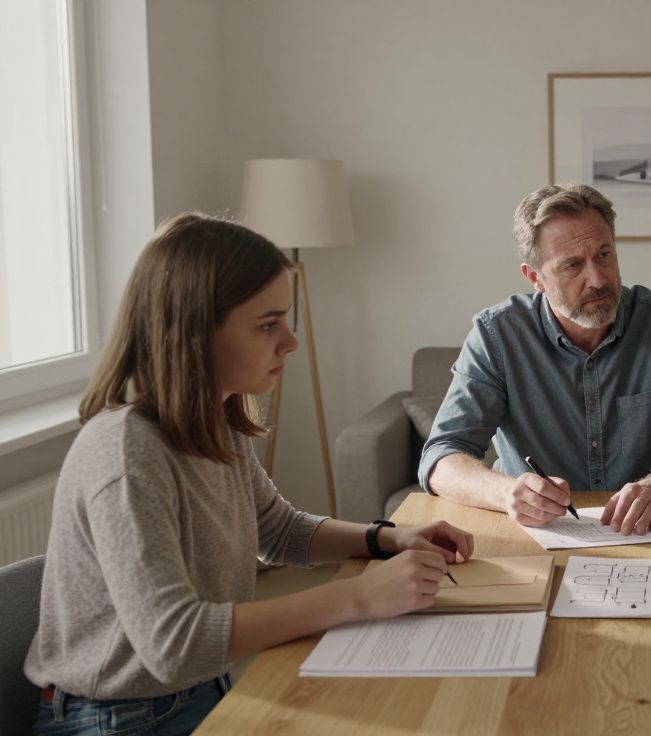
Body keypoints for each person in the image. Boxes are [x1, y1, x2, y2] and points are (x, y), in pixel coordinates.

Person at [24, 214, 474, 734]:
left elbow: (277, 530)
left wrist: (389, 538)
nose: (290, 342)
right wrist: (359, 597)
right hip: (116, 718)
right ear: (193, 332)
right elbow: (175, 644)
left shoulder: (212, 418)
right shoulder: (127, 450)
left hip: (192, 691)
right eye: (267, 324)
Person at [420, 183, 651, 536]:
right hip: (533, 535)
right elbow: (440, 457)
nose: (598, 279)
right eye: (572, 265)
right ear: (534, 277)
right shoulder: (496, 335)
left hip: (638, 533)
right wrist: (506, 492)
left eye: (604, 255)